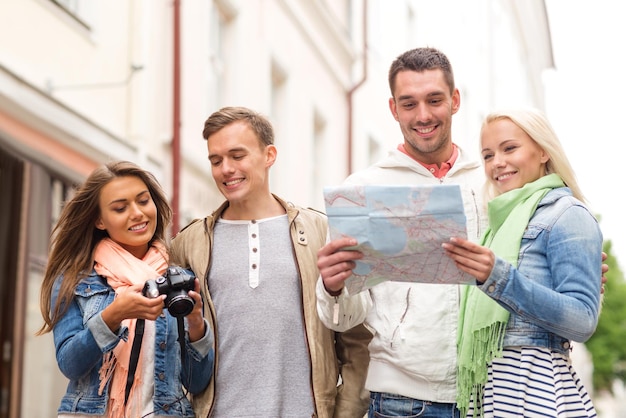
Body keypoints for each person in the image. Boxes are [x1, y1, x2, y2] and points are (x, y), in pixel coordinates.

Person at [315, 47, 607, 418]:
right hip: (400, 401)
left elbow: (538, 256)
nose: (423, 115)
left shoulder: (494, 182)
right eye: (409, 104)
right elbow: (344, 318)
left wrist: (576, 265)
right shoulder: (363, 190)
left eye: (434, 100)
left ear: (454, 101)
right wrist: (332, 287)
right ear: (393, 109)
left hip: (492, 398)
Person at [169, 106, 371, 418]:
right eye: (216, 160)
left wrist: (345, 412)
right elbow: (176, 347)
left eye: (237, 156)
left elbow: (356, 340)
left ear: (269, 155)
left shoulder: (321, 231)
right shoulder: (189, 243)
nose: (226, 169)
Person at [442, 108, 601, 417]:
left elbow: (583, 320)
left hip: (534, 388)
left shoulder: (568, 214)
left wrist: (499, 277)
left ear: (543, 151)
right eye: (488, 155)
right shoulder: (497, 227)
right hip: (497, 392)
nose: (496, 163)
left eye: (509, 148)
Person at [38, 160, 214, 418]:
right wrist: (113, 315)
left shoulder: (179, 280)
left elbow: (196, 382)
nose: (138, 213)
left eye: (143, 201)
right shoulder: (75, 280)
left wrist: (197, 325)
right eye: (120, 208)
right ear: (99, 220)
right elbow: (70, 364)